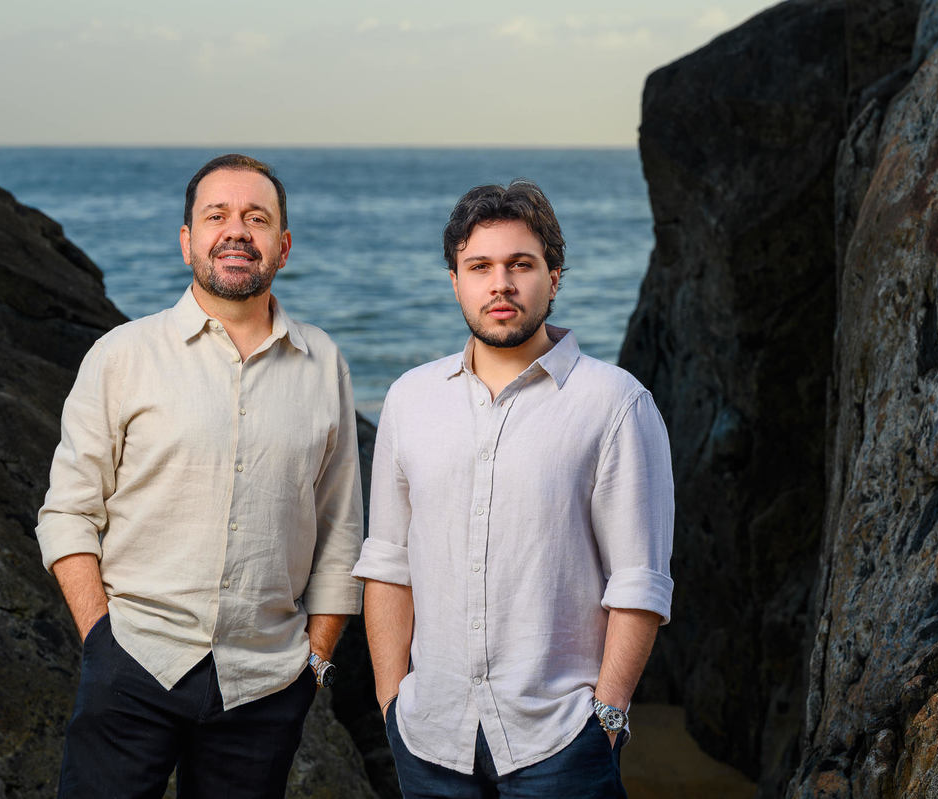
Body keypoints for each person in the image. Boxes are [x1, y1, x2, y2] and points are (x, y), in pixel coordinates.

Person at [36, 154, 364, 798]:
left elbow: (341, 532)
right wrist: (101, 641)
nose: (236, 231)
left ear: (283, 245)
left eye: (256, 218)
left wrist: (315, 665)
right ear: (188, 240)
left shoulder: (324, 363)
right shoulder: (123, 355)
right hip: (133, 663)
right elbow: (68, 512)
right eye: (217, 216)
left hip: (265, 685)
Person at [353, 180, 674, 798]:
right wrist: (392, 701)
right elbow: (388, 563)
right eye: (479, 266)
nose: (499, 283)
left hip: (560, 743)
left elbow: (639, 579)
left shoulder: (615, 404)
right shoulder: (410, 399)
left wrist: (604, 720)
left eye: (520, 264)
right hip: (429, 738)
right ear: (455, 281)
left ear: (554, 276)